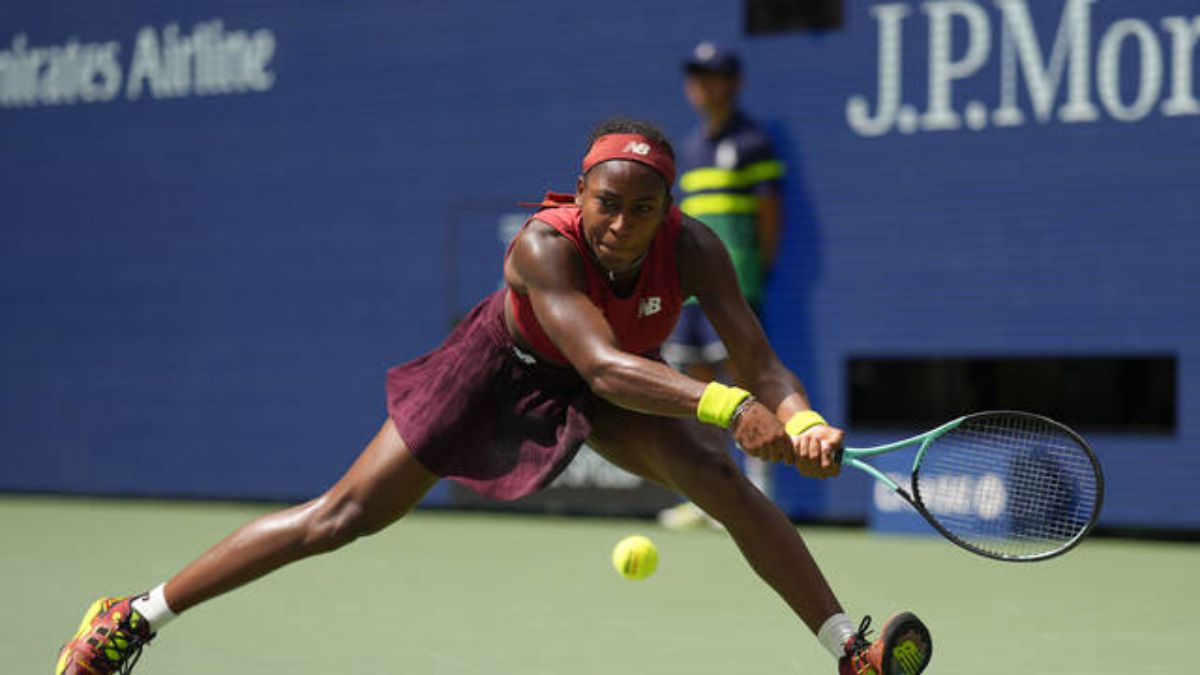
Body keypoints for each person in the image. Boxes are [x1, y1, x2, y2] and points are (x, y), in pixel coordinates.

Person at [54, 119, 931, 675]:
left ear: (669, 208)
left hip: (619, 376)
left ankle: (847, 651)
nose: (621, 224)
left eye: (643, 209)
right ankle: (134, 617)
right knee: (343, 515)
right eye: (607, 203)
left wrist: (800, 417)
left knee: (723, 484)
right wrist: (728, 408)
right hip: (502, 367)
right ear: (579, 193)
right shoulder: (545, 249)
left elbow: (760, 360)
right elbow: (603, 366)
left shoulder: (695, 247)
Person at [659, 41, 787, 529]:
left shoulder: (753, 142)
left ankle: (760, 492)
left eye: (711, 76)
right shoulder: (689, 148)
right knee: (699, 388)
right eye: (695, 76)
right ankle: (710, 492)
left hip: (735, 285)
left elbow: (770, 218)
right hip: (690, 287)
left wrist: (752, 273)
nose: (700, 85)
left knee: (745, 379)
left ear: (733, 84)